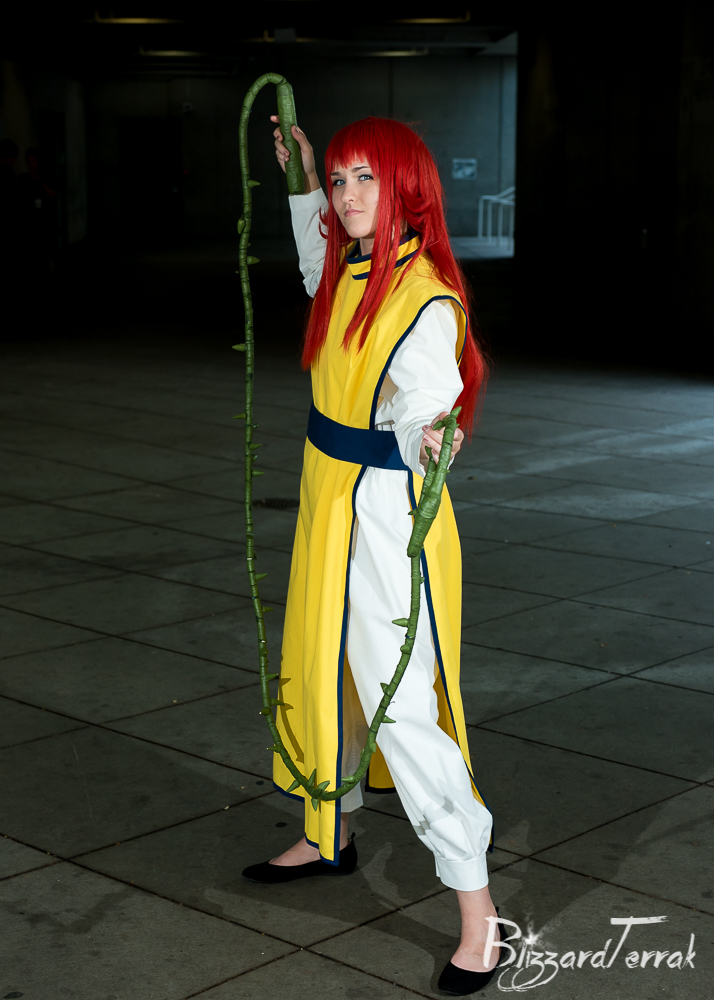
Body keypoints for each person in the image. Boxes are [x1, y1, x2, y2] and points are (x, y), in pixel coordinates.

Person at [242, 115, 503, 994]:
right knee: (325, 669)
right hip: (330, 498)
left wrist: (430, 434)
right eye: (340, 179)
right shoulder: (353, 264)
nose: (350, 196)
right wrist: (300, 178)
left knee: (400, 703)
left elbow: (429, 402)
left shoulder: (425, 298)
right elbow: (314, 261)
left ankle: (478, 911)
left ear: (408, 187)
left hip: (387, 516)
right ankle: (331, 833)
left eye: (367, 179)